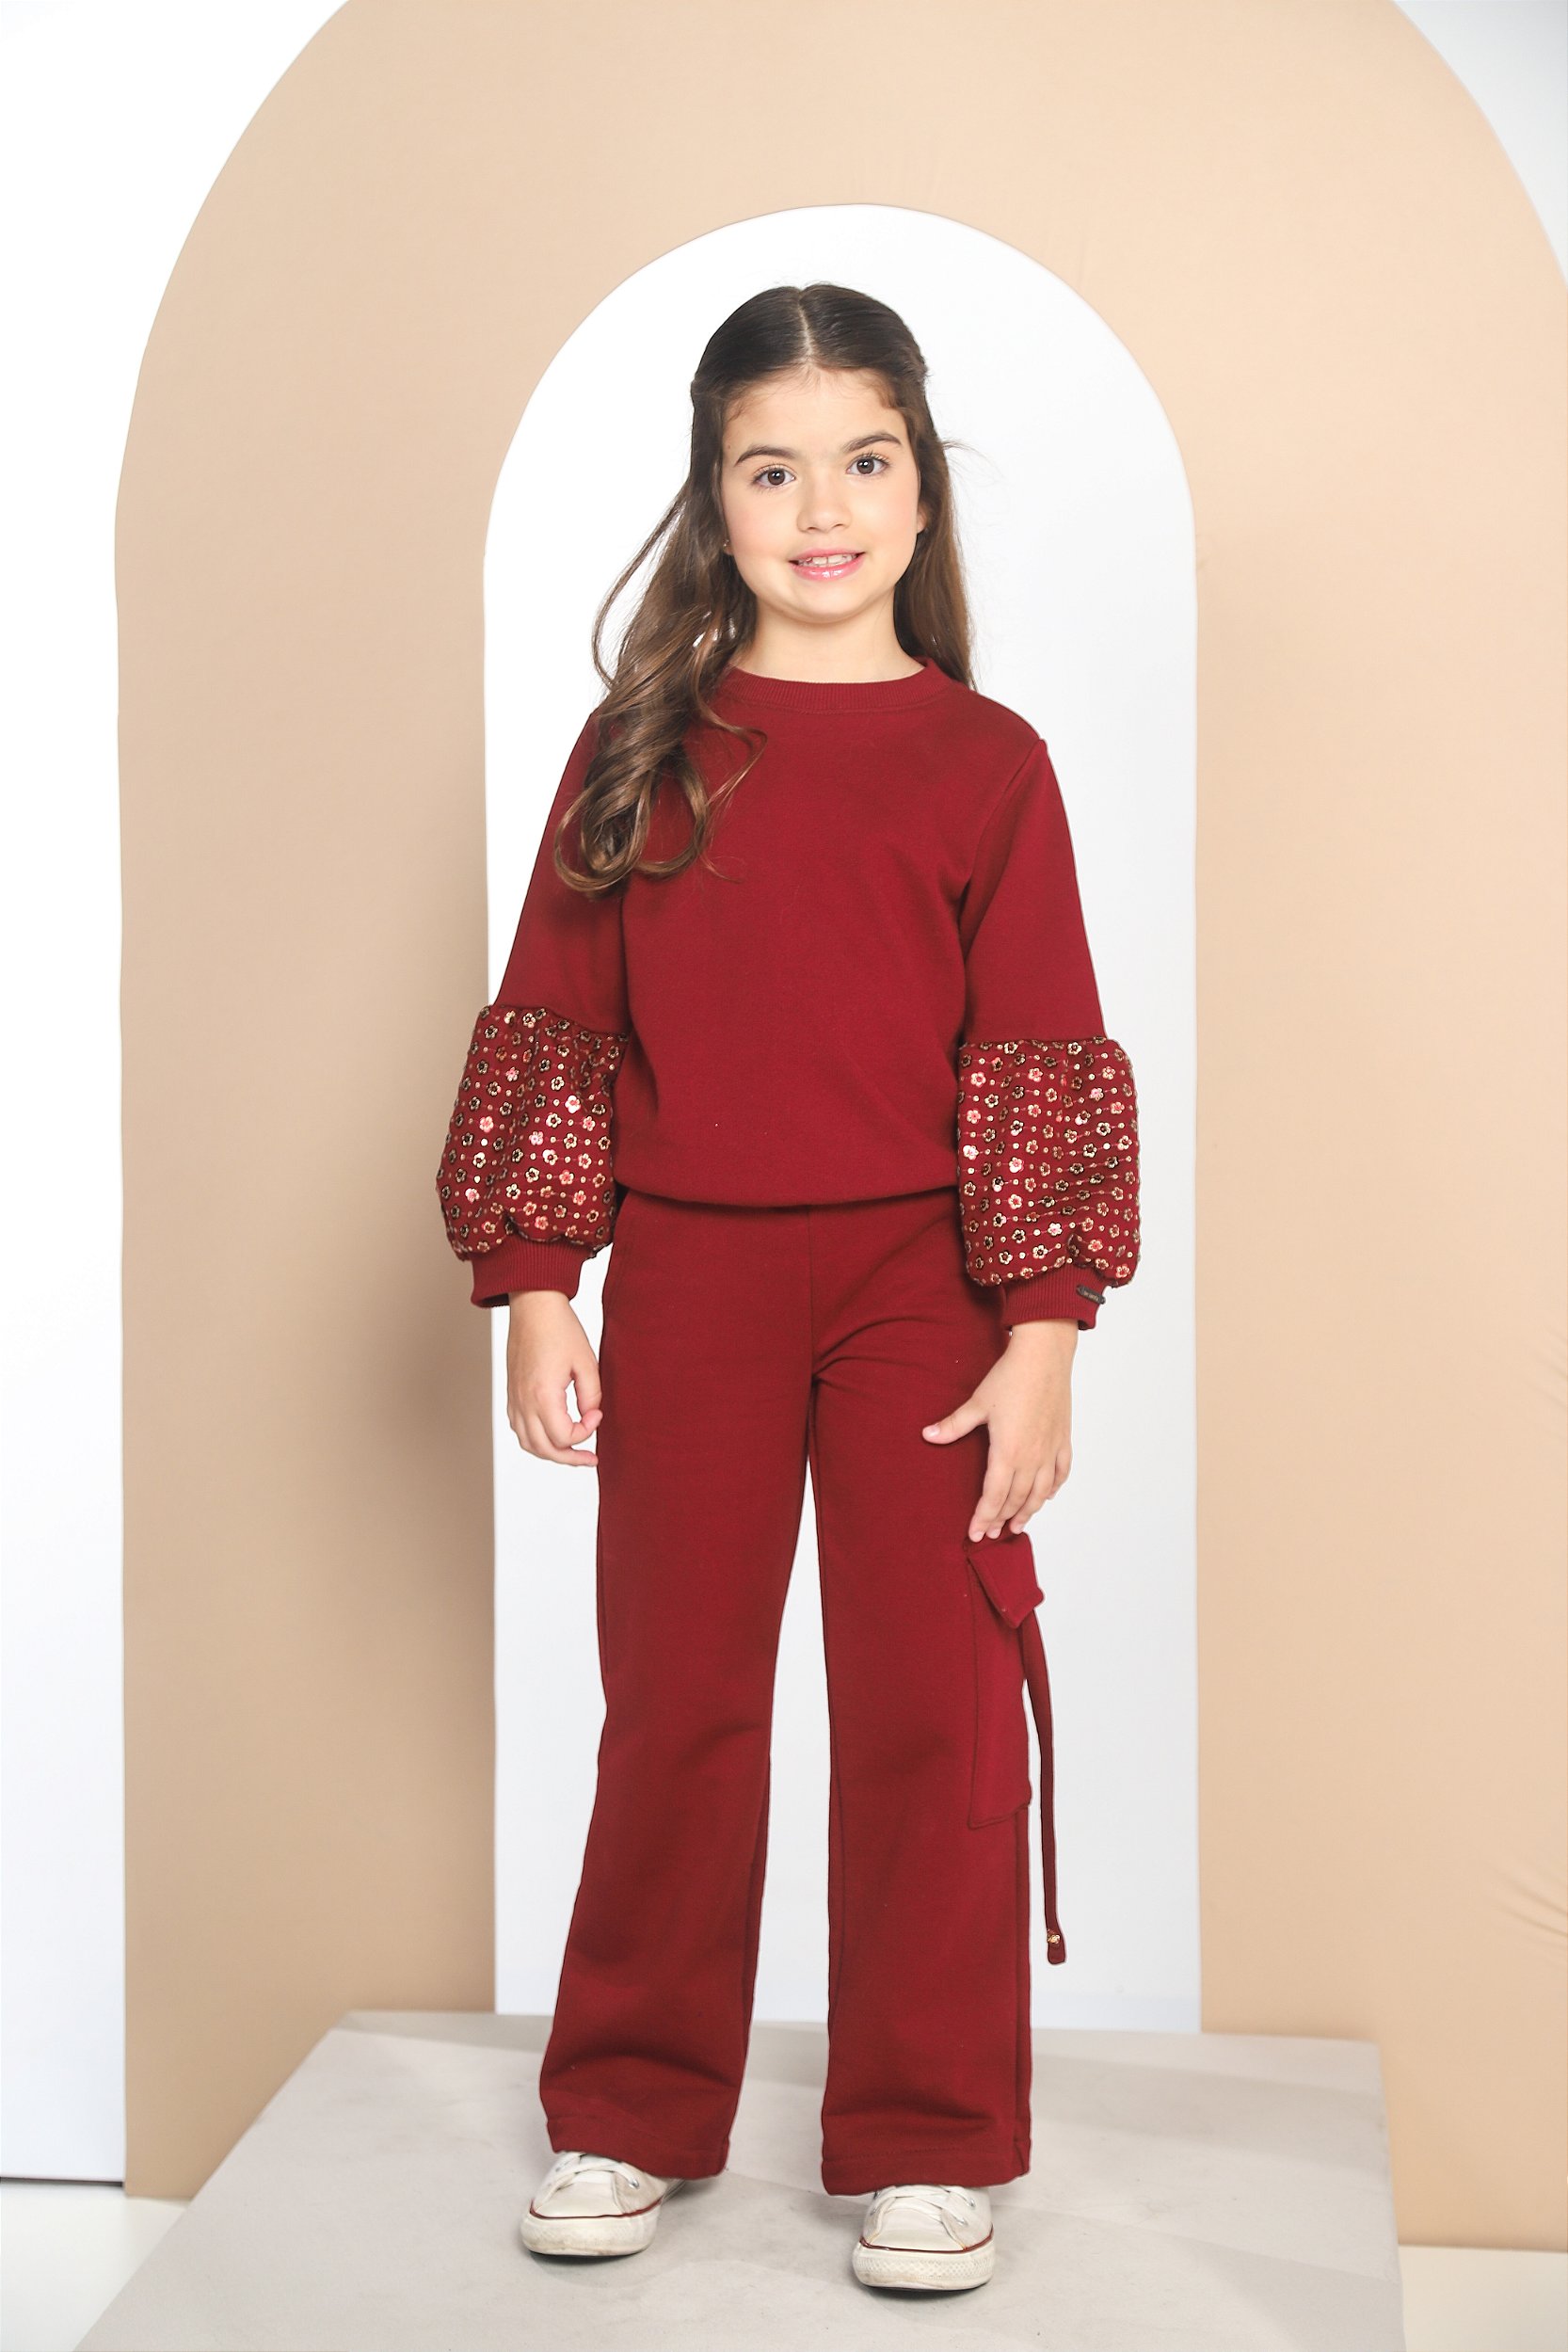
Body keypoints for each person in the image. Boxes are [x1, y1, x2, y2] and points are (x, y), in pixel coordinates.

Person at [435, 281, 1140, 2296]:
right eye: (771, 469)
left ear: (919, 493)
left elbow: (1037, 1049)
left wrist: (1043, 1337)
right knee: (678, 1701)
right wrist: (538, 1286)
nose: (820, 508)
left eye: (863, 461)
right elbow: (557, 1026)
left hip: (926, 1294)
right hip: (693, 1282)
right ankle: (628, 2104)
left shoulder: (987, 763)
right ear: (713, 499)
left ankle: (928, 2135)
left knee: (930, 1707)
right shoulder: (639, 749)